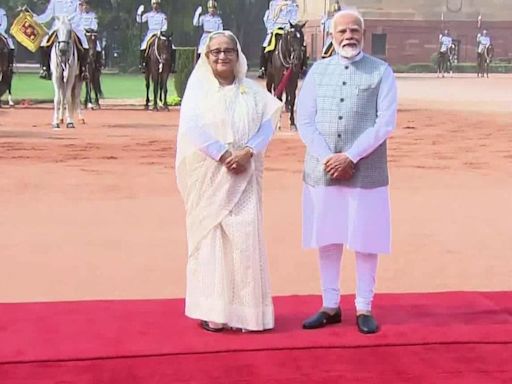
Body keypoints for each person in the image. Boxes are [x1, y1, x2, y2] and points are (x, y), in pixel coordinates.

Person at [296, 7, 397, 334]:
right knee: (328, 237)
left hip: (366, 170)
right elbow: (305, 120)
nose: (349, 36)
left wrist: (350, 157)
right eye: (342, 32)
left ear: (363, 35)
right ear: (332, 36)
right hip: (322, 170)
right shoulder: (317, 72)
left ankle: (364, 307)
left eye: (354, 31)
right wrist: (329, 157)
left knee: (366, 239)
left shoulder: (381, 72)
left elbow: (385, 123)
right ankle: (330, 305)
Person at [176, 30, 281, 332]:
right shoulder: (198, 92)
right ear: (206, 57)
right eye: (215, 52)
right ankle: (215, 313)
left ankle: (248, 315)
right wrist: (224, 155)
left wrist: (247, 152)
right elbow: (192, 129)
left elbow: (268, 122)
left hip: (244, 177)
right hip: (211, 177)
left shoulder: (252, 90)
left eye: (228, 51)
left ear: (238, 55)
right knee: (211, 242)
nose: (222, 56)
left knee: (245, 242)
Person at [34, 0, 89, 80]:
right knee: (44, 43)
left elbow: (78, 15)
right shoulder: (54, 2)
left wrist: (67, 21)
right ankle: (45, 68)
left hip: (72, 27)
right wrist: (36, 18)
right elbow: (47, 15)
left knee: (85, 44)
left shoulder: (76, 3)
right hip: (58, 27)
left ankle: (83, 70)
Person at [258, 0, 299, 78]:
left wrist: (289, 27)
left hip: (289, 30)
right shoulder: (273, 3)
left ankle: (302, 67)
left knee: (301, 43)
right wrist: (271, 29)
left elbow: (294, 18)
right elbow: (269, 18)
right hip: (275, 29)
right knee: (265, 45)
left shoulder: (293, 4)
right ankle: (263, 68)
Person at [136, 0, 167, 73]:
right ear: (152, 5)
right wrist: (139, 13)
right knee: (143, 46)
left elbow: (165, 25)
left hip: (160, 33)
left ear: (159, 5)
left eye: (157, 4)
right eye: (154, 4)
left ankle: (172, 65)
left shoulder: (163, 15)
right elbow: (139, 20)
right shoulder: (148, 15)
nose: (155, 5)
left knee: (171, 46)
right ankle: (142, 64)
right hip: (151, 33)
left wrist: (161, 31)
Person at [78, 0, 102, 70]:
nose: (85, 7)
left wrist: (91, 29)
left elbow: (94, 25)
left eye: (87, 5)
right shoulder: (79, 15)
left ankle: (98, 63)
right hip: (82, 35)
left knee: (98, 47)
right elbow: (78, 25)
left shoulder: (93, 15)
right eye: (84, 5)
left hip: (90, 34)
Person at [0, 6, 15, 71]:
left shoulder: (2, 12)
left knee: (11, 44)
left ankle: (10, 65)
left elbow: (4, 24)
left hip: (0, 31)